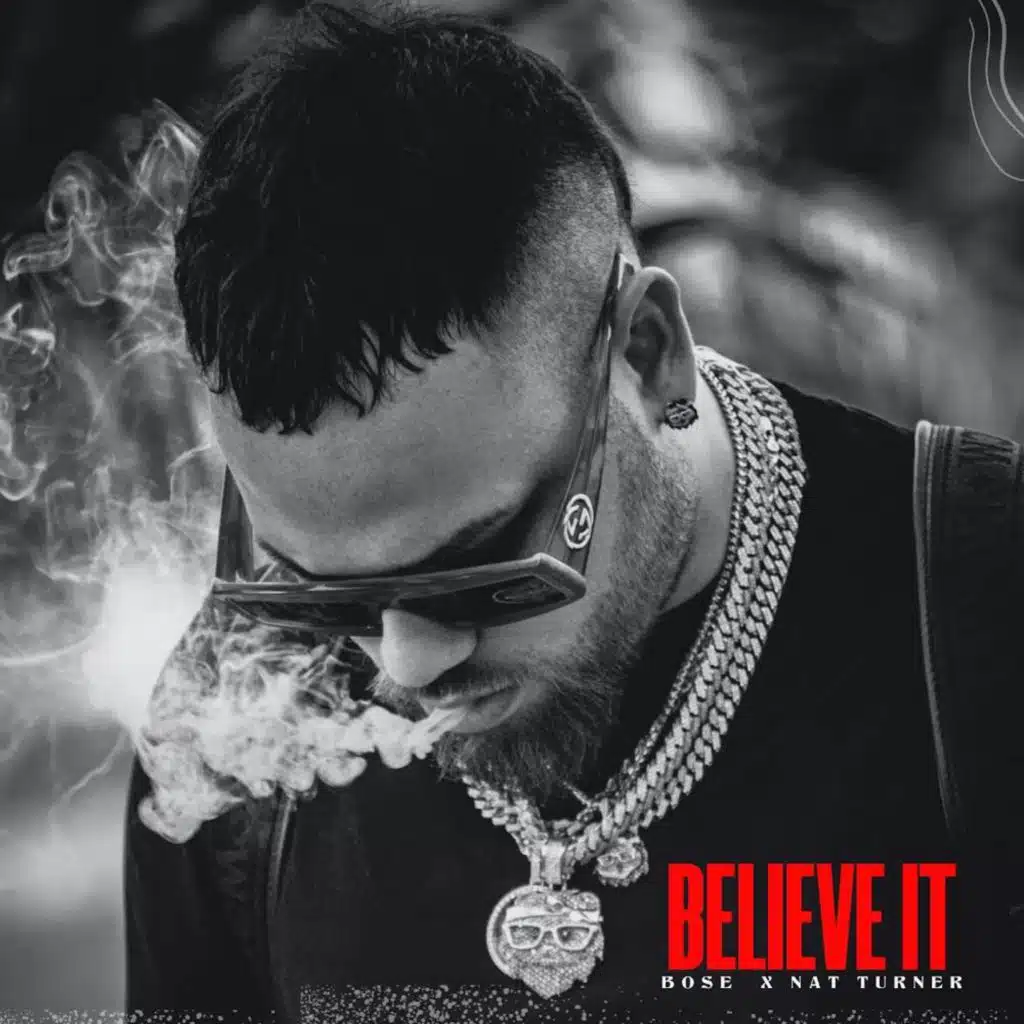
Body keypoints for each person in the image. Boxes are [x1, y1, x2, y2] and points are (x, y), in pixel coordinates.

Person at [123, 3, 1023, 1021]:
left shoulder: (985, 608)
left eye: (479, 560)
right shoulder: (232, 719)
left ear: (646, 352)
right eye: (321, 589)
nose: (403, 664)